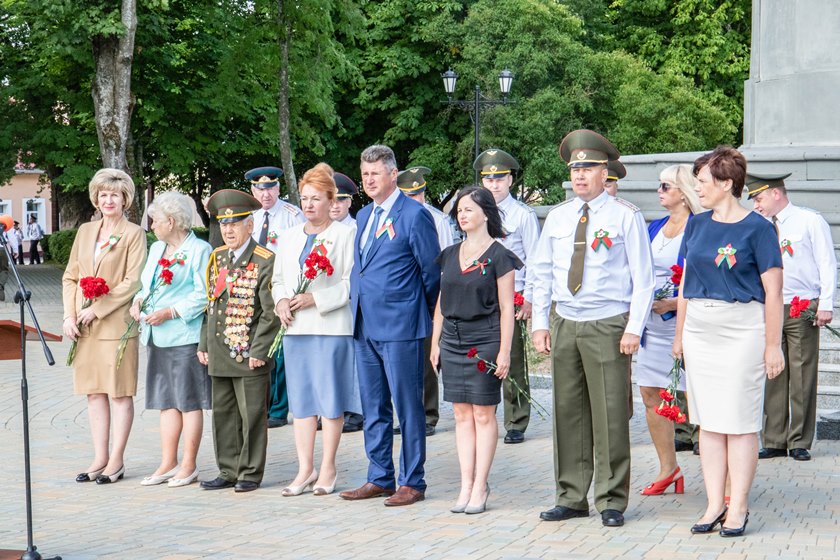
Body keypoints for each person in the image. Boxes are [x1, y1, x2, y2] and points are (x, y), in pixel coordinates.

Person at [530, 129, 655, 527]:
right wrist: (539, 322)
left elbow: (644, 278)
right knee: (567, 411)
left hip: (608, 321)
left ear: (606, 173)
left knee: (610, 412)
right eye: (575, 169)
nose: (580, 175)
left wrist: (634, 327)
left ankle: (611, 498)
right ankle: (570, 495)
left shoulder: (625, 216)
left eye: (588, 168)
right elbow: (542, 272)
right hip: (566, 320)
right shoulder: (558, 216)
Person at [674, 146, 784, 537]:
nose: (697, 188)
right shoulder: (697, 225)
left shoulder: (759, 228)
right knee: (708, 422)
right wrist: (679, 335)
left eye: (703, 181)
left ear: (725, 183)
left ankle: (738, 506)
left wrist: (772, 345)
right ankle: (713, 504)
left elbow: (774, 292)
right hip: (700, 329)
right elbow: (685, 284)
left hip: (742, 330)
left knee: (738, 422)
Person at [339, 144, 440, 507]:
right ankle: (380, 476)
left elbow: (431, 273)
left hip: (402, 326)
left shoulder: (414, 215)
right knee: (374, 406)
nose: (369, 180)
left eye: (375, 174)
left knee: (408, 407)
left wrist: (416, 312)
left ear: (393, 174)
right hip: (364, 324)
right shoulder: (364, 215)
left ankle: (412, 481)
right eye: (365, 174)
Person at [430, 186, 522, 514]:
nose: (462, 215)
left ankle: (481, 484)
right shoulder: (449, 254)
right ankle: (465, 484)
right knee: (460, 413)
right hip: (452, 341)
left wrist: (504, 351)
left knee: (483, 413)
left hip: (485, 339)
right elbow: (441, 302)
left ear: (485, 213)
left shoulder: (500, 256)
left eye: (468, 209)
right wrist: (435, 342)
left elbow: (507, 308)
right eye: (459, 211)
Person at [272, 163, 359, 496]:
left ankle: (328, 467)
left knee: (330, 400)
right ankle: (305, 468)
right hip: (296, 329)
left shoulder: (345, 235)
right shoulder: (290, 236)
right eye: (305, 198)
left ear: (331, 200)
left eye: (316, 199)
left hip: (330, 327)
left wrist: (315, 299)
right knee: (302, 402)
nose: (309, 205)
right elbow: (278, 279)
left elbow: (351, 283)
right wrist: (282, 301)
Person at [62, 168, 147, 484]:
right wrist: (70, 315)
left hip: (116, 325)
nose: (108, 200)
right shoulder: (85, 231)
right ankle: (99, 457)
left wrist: (96, 310)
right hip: (83, 327)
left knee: (119, 394)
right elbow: (71, 276)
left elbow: (132, 281)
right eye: (103, 194)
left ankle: (116, 460)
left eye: (114, 195)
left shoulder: (134, 234)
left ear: (125, 199)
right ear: (95, 198)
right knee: (94, 392)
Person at [749, 172, 837, 462]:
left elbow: (826, 263)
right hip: (770, 306)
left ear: (776, 193)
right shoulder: (759, 226)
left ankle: (799, 440)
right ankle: (774, 438)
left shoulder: (809, 220)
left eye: (759, 198)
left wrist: (826, 303)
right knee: (773, 372)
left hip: (801, 305)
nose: (756, 205)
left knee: (801, 374)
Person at [197, 189, 281, 493]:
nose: (228, 230)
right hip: (220, 350)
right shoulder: (218, 257)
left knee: (252, 414)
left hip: (249, 353)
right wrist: (204, 343)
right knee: (223, 414)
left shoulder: (264, 259)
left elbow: (270, 312)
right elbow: (211, 305)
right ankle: (228, 469)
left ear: (250, 225)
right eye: (224, 224)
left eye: (234, 224)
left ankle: (250, 472)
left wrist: (260, 349)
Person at [132, 192, 212, 488]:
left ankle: (189, 465)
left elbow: (203, 294)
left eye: (155, 220)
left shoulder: (199, 250)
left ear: (171, 221)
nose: (151, 226)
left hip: (184, 335)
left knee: (189, 402)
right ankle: (168, 462)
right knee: (166, 402)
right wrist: (137, 301)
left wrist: (170, 312)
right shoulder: (156, 249)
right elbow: (145, 286)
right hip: (156, 335)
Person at [636, 164, 703, 495]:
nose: (659, 191)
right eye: (659, 185)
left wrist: (674, 303)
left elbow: (705, 278)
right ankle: (669, 469)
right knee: (650, 393)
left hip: (686, 323)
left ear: (684, 192)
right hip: (652, 325)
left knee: (699, 397)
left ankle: (720, 474)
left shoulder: (700, 227)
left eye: (666, 186)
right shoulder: (655, 226)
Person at [475, 148, 540, 445]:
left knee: (511, 358)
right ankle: (483, 413)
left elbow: (535, 259)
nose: (494, 184)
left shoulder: (523, 215)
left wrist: (529, 298)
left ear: (510, 180)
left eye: (499, 178)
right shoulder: (476, 211)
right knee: (480, 357)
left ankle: (516, 420)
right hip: (480, 296)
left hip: (512, 296)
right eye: (488, 179)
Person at [397, 165, 455, 437]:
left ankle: (429, 415)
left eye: (418, 193)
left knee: (427, 356)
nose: (415, 199)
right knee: (404, 359)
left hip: (431, 294)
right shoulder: (394, 217)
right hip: (404, 296)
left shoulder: (437, 220)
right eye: (409, 195)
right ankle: (408, 414)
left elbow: (446, 260)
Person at [246, 166, 304, 430]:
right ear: (253, 191)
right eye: (260, 189)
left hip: (281, 289)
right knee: (258, 346)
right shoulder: (251, 217)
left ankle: (279, 409)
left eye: (270, 188)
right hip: (254, 289)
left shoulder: (292, 216)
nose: (265, 194)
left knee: (279, 351)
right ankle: (263, 404)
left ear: (278, 189)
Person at [330, 171, 364, 433]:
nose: (335, 205)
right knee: (332, 358)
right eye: (330, 199)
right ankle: (333, 408)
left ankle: (356, 411)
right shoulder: (320, 230)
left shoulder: (357, 229)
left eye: (340, 200)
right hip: (324, 304)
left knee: (353, 359)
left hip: (352, 301)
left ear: (349, 202)